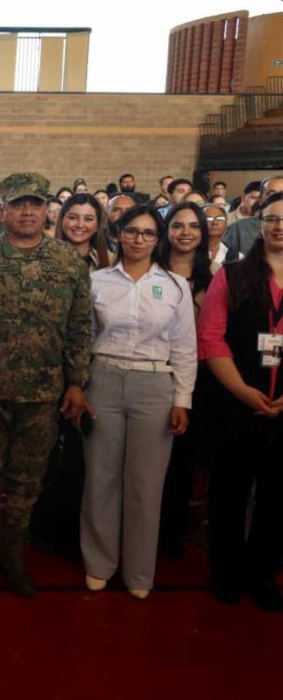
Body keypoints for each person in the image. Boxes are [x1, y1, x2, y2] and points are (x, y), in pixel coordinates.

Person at [0, 172, 91, 597]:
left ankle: (15, 554)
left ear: (47, 210)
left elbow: (80, 327)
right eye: (18, 204)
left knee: (28, 480)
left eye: (35, 204)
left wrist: (77, 382)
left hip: (43, 394)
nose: (27, 212)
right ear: (4, 208)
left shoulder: (67, 262)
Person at [82, 206, 195, 599]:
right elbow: (84, 338)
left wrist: (182, 399)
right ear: (118, 234)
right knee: (101, 477)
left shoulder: (175, 286)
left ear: (158, 239)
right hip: (104, 379)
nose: (139, 239)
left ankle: (139, 572)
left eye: (148, 233)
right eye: (132, 231)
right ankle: (99, 562)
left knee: (145, 484)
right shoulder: (97, 281)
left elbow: (184, 347)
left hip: (155, 384)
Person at [198, 190, 283, 610]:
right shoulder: (231, 276)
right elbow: (211, 337)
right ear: (258, 225)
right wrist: (242, 390)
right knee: (229, 495)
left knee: (276, 500)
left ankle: (263, 575)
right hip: (236, 403)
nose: (280, 226)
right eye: (272, 219)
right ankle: (225, 573)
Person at [28, 193, 110, 556]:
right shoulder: (43, 257)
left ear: (99, 224)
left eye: (88, 218)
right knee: (48, 453)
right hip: (49, 367)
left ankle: (78, 530)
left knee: (84, 455)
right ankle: (45, 526)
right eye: (73, 217)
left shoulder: (109, 264)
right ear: (60, 220)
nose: (80, 224)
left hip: (96, 366)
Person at [156, 202, 213, 561]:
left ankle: (172, 530)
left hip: (200, 379)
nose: (185, 232)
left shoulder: (217, 278)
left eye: (193, 226)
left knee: (183, 459)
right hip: (155, 373)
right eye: (178, 225)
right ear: (167, 231)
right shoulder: (151, 271)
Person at [223, 175, 283, 263]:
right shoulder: (239, 228)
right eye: (271, 193)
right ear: (260, 199)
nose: (276, 198)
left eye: (282, 193)